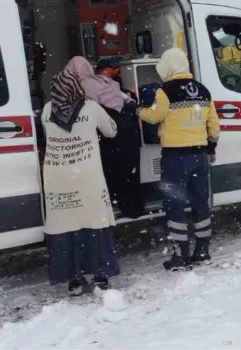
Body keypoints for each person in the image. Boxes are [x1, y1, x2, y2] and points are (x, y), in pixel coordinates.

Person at [138, 48, 220, 271]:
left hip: (175, 158)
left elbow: (154, 116)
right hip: (200, 157)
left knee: (174, 204)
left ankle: (181, 254)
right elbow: (214, 125)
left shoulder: (166, 92)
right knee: (200, 202)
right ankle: (202, 250)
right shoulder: (203, 91)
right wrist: (210, 146)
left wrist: (138, 109)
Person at [41, 68, 120, 296]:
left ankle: (74, 281)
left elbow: (49, 136)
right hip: (87, 176)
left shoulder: (47, 110)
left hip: (57, 178)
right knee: (94, 223)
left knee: (67, 227)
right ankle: (99, 276)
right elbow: (112, 132)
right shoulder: (92, 108)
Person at [66, 56, 144, 219]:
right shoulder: (106, 84)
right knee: (126, 171)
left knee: (108, 172)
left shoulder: (68, 88)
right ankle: (132, 208)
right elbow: (123, 103)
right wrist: (131, 101)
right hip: (120, 133)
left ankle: (106, 206)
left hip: (94, 138)